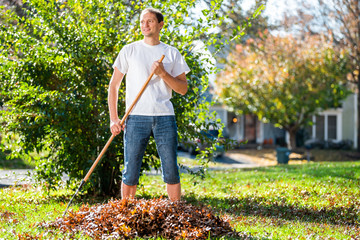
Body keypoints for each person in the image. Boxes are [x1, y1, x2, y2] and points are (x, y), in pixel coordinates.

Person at [108, 8, 190, 201]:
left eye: (150, 21)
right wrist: (114, 118)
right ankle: (125, 214)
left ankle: (175, 212)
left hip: (165, 118)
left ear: (160, 25)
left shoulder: (171, 53)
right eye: (142, 21)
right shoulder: (130, 50)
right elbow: (114, 85)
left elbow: (183, 89)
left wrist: (163, 74)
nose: (145, 25)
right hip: (135, 117)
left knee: (170, 168)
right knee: (131, 170)